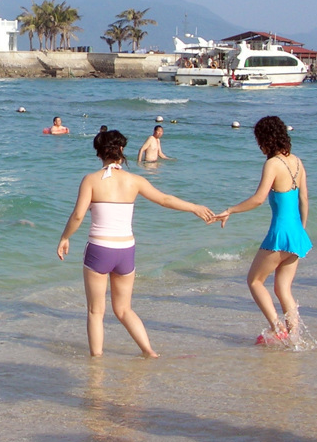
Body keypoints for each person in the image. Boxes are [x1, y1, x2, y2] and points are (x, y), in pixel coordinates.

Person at [56, 129, 218, 357]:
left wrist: (65, 238)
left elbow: (78, 216)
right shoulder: (135, 181)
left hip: (100, 250)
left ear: (98, 153)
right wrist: (195, 207)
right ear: (121, 151)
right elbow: (165, 199)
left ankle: (97, 361)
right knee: (123, 309)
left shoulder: (90, 180)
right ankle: (149, 351)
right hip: (125, 251)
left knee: (95, 311)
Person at [217, 116, 311, 343]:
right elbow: (304, 199)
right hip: (298, 233)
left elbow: (259, 199)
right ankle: (294, 337)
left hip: (280, 234)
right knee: (283, 289)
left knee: (254, 281)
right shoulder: (297, 162)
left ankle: (278, 329)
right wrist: (301, 230)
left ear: (265, 140)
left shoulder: (273, 164)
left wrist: (231, 210)